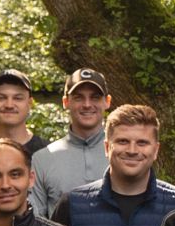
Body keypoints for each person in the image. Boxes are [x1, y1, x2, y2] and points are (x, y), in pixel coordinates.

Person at [29, 68, 117, 209]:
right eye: (78, 97)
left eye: (95, 97)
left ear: (107, 101)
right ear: (65, 102)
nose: (87, 104)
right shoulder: (43, 159)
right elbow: (35, 216)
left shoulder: (124, 153)